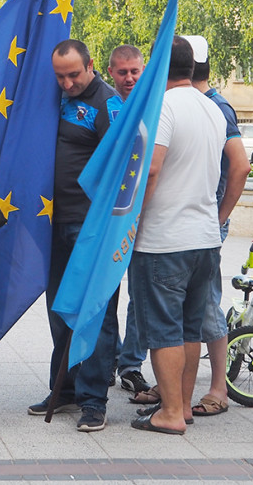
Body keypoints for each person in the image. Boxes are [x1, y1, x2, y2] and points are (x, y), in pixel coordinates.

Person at [127, 37, 226, 436]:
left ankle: (168, 412)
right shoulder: (212, 108)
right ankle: (182, 405)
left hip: (165, 237)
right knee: (189, 328)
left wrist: (134, 218)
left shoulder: (163, 107)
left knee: (163, 328)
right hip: (204, 237)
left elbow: (151, 168)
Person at [28, 39, 123, 432]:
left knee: (97, 315)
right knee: (60, 309)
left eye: (73, 75)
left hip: (92, 227)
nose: (66, 84)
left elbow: (121, 165)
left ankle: (93, 400)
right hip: (52, 222)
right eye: (59, 76)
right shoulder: (52, 97)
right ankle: (63, 388)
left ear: (90, 66)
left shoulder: (108, 103)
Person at [186, 35, 250, 418]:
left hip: (204, 221)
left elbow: (240, 166)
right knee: (187, 304)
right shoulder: (203, 104)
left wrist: (220, 216)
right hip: (194, 220)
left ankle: (218, 388)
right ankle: (175, 381)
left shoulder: (216, 107)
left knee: (206, 303)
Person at [105, 44, 150, 395]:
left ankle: (130, 364)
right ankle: (106, 358)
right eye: (122, 72)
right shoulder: (104, 106)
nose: (129, 78)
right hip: (110, 214)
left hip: (145, 215)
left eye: (135, 71)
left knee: (140, 294)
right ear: (111, 73)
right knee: (106, 292)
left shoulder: (157, 105)